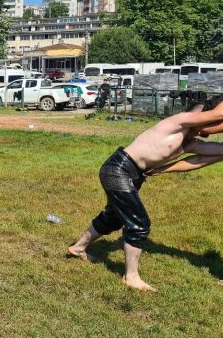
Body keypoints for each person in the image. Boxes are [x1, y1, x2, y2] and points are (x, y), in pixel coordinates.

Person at [68, 99, 223, 291]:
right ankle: (131, 276)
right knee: (139, 223)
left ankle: (78, 248)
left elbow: (210, 155)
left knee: (114, 217)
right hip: (118, 169)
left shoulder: (188, 142)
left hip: (133, 175)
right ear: (199, 116)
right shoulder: (178, 121)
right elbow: (218, 114)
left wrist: (164, 169)